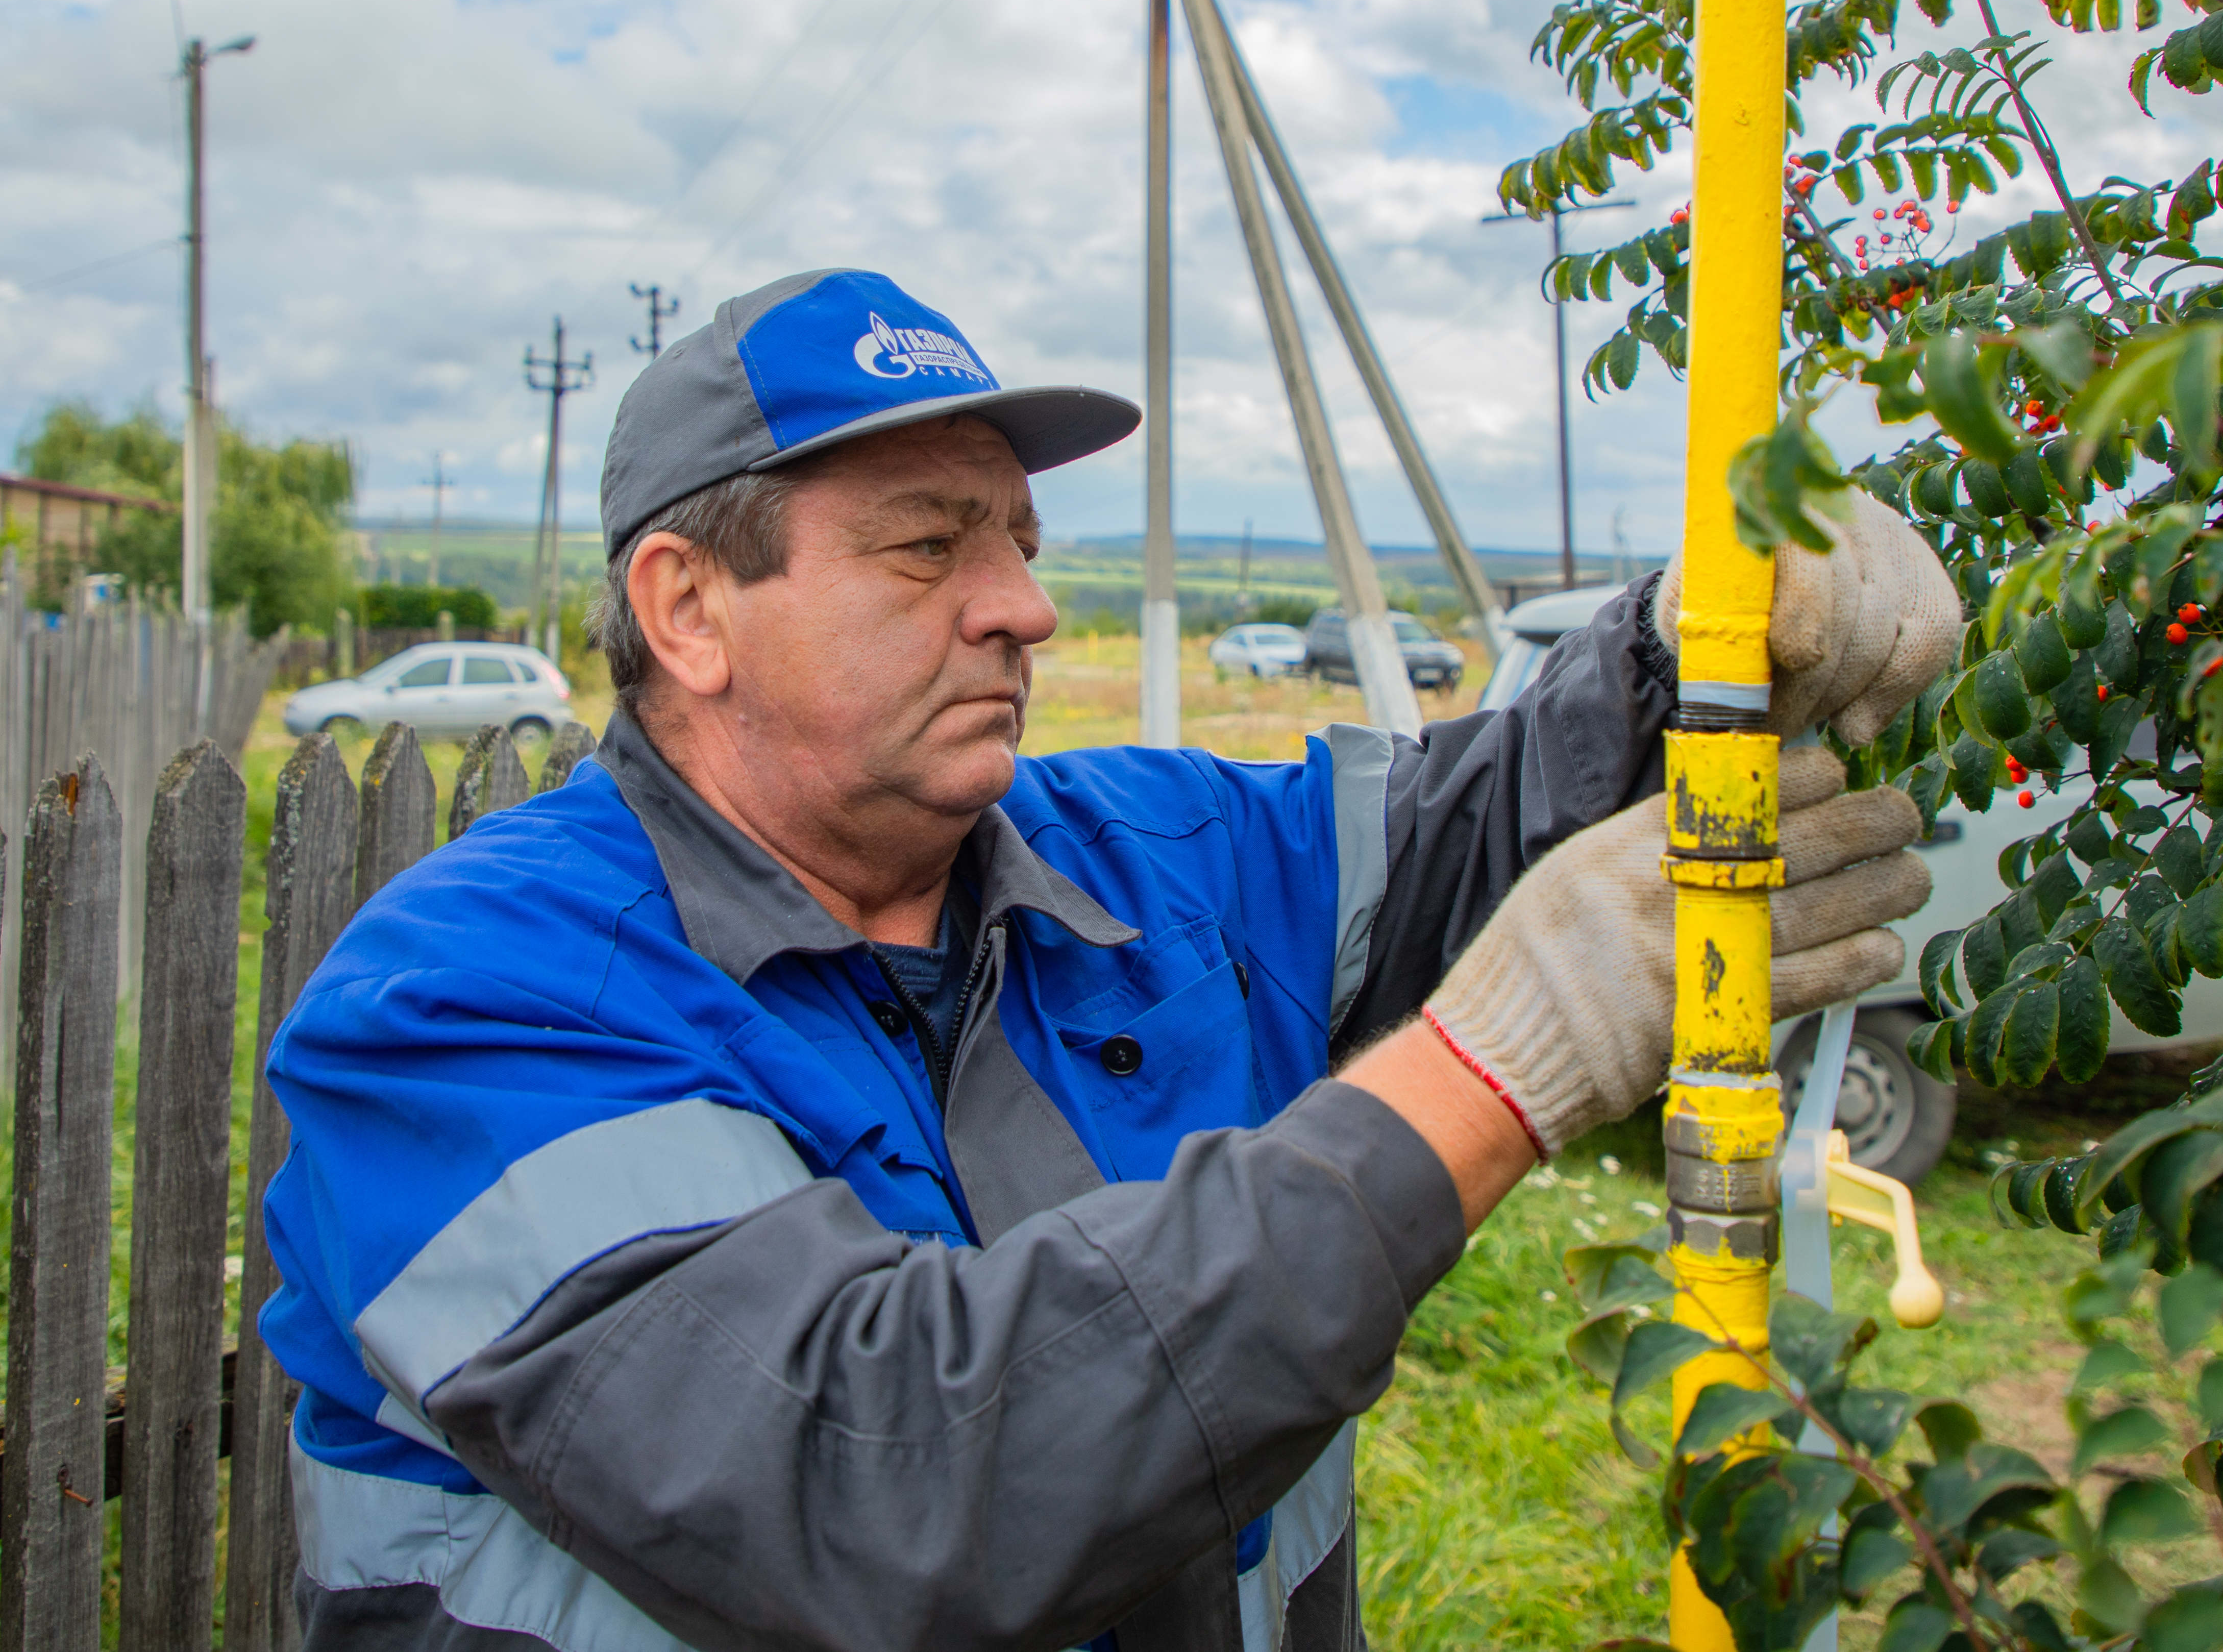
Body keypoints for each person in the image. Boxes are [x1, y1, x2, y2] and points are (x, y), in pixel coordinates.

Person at [260, 268, 1960, 1652]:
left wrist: (1686, 655)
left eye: (1019, 542)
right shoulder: (463, 1008)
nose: (1021, 606)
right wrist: (1488, 1076)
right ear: (689, 606)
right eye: (930, 545)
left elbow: (1462, 823)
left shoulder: (1135, 855)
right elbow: (879, 1500)